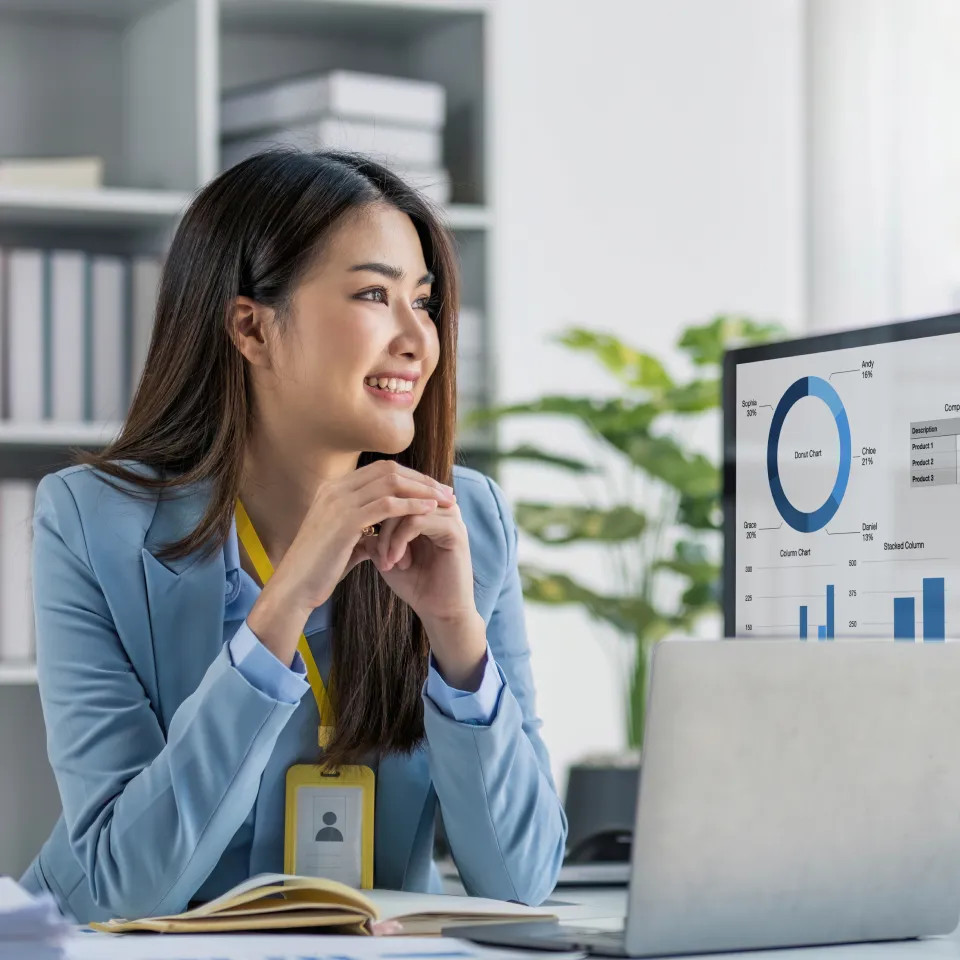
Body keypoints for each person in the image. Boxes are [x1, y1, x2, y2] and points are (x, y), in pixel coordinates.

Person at [19, 150, 567, 923]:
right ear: (251, 327)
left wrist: (455, 633)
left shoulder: (464, 519)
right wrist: (283, 609)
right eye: (375, 295)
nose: (420, 339)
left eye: (425, 300)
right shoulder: (89, 521)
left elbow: (524, 880)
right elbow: (121, 887)